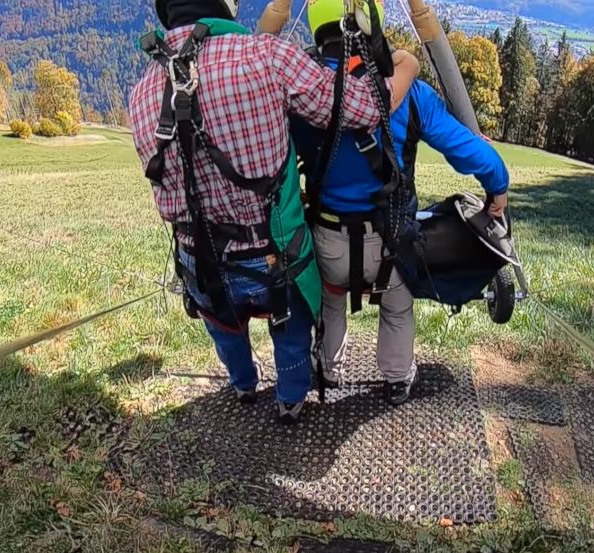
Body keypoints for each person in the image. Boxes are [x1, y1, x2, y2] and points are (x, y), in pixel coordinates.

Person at [129, 0, 420, 423]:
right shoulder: (266, 58)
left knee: (225, 327)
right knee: (290, 329)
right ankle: (290, 397)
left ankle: (243, 383)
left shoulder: (140, 94)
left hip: (198, 256)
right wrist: (407, 65)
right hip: (272, 251)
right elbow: (364, 108)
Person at [288, 0, 510, 406]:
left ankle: (329, 369)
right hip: (391, 241)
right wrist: (498, 185)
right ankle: (396, 379)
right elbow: (468, 151)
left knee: (332, 301)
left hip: (328, 239)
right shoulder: (406, 94)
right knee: (395, 306)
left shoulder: (302, 96)